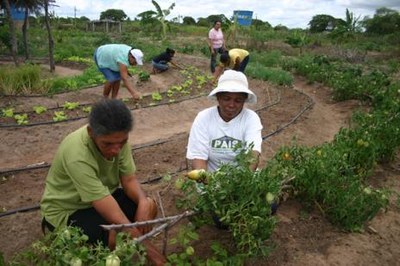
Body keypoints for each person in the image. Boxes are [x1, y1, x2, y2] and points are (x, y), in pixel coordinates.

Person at [40, 99, 166, 265]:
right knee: (117, 234)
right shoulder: (77, 153)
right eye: (107, 144)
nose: (116, 149)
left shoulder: (117, 139)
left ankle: (127, 243)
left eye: (122, 142)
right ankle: (105, 251)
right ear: (91, 132)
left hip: (103, 195)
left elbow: (128, 179)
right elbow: (101, 201)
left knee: (150, 206)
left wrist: (142, 202)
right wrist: (154, 254)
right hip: (69, 209)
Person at [186, 70, 262, 173]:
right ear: (218, 97)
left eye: (238, 100)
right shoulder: (204, 118)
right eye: (226, 99)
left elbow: (253, 154)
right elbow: (199, 157)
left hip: (243, 178)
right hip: (212, 179)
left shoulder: (250, 118)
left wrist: (241, 183)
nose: (231, 105)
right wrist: (206, 180)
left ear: (244, 100)